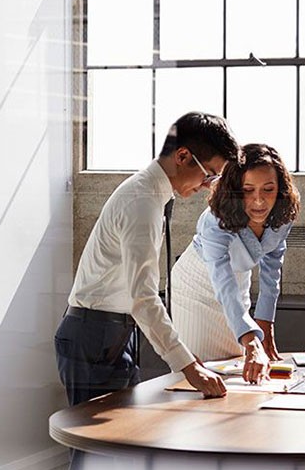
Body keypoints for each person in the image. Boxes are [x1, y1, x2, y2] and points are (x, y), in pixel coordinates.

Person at [54, 111, 240, 405]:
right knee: (97, 446)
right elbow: (143, 296)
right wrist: (188, 366)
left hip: (112, 332)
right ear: (182, 156)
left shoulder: (151, 196)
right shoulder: (142, 202)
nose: (209, 185)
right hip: (94, 335)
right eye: (210, 174)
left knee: (118, 443)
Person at [171, 143, 301, 383]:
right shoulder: (216, 220)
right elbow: (221, 280)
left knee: (239, 371)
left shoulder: (283, 212)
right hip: (197, 285)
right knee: (201, 375)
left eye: (268, 189)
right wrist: (251, 339)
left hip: (238, 282)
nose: (259, 201)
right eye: (248, 190)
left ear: (280, 189)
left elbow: (272, 266)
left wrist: (265, 324)